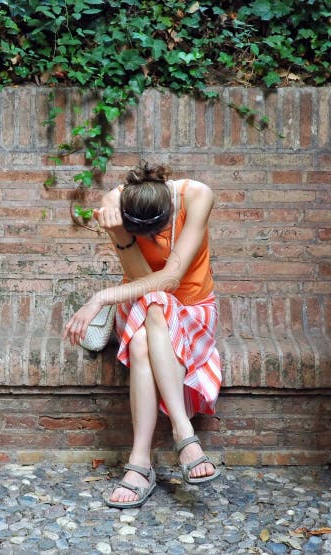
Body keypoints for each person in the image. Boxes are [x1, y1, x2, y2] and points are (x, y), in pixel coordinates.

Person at [63, 163, 222, 509]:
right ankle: (185, 437)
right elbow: (144, 279)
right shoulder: (113, 206)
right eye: (142, 235)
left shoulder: (197, 196)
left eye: (157, 233)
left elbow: (169, 279)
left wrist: (100, 297)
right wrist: (120, 236)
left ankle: (139, 464)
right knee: (154, 308)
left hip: (193, 309)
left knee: (143, 336)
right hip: (139, 304)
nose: (151, 241)